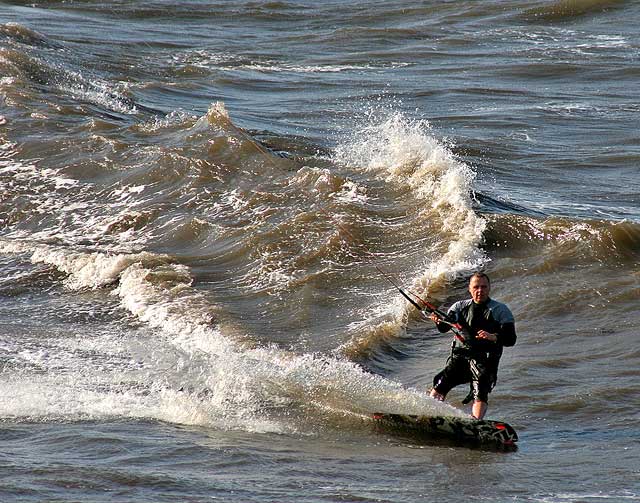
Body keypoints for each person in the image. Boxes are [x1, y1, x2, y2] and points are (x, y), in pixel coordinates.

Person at [428, 272, 516, 420]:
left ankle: (476, 421)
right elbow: (444, 328)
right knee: (441, 383)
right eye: (476, 287)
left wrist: (494, 336)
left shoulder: (500, 310)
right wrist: (438, 321)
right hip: (460, 356)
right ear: (470, 289)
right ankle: (429, 413)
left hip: (485, 358)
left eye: (483, 287)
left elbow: (511, 339)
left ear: (489, 288)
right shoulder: (459, 307)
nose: (480, 290)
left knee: (481, 389)